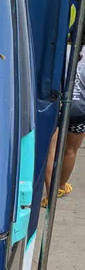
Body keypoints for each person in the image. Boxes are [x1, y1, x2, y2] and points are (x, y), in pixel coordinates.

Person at [44, 47, 85, 204]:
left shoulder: (62, 48)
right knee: (70, 151)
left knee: (51, 150)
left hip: (56, 106)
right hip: (79, 112)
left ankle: (50, 194)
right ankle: (60, 185)